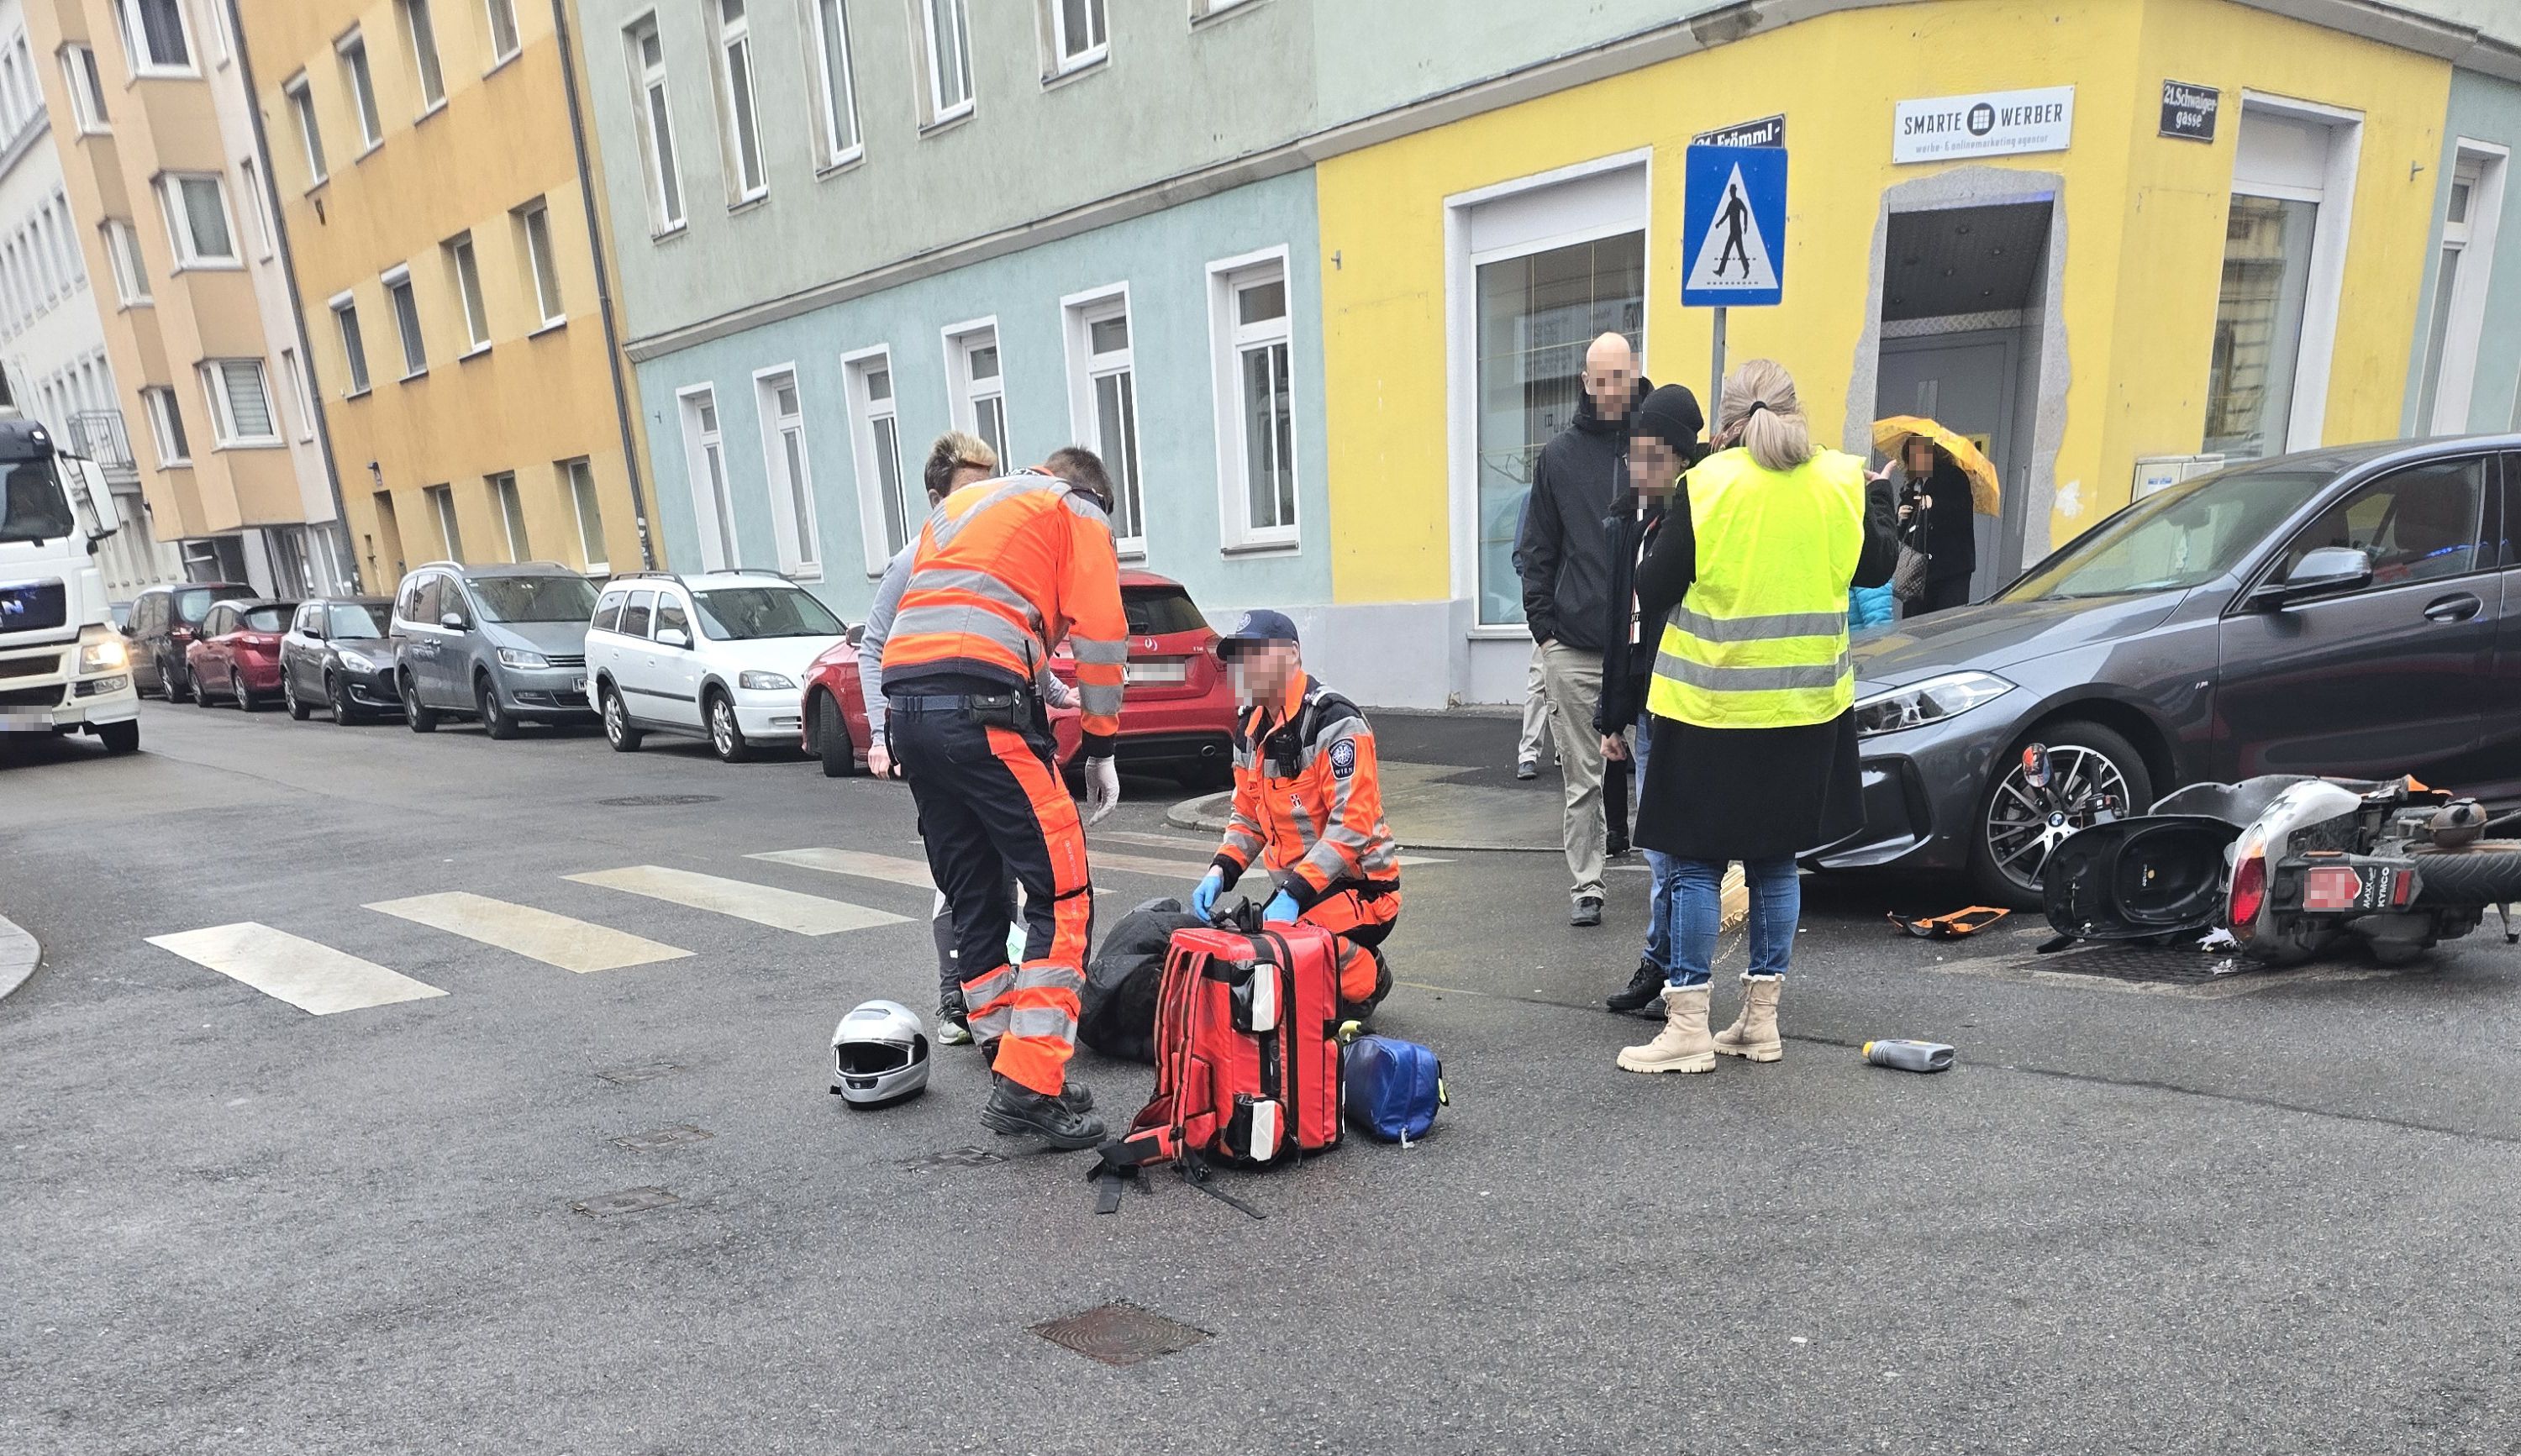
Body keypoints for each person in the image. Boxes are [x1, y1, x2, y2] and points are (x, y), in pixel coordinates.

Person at [1618, 360, 1897, 1075]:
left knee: (1697, 866)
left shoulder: (1705, 486)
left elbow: (1654, 584)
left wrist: (1656, 525)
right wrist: (1885, 503)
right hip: (1806, 711)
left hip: (1711, 710)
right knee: (1776, 862)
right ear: (1796, 412)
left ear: (1729, 420)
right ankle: (1760, 1024)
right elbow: (1875, 569)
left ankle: (1687, 1026)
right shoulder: (1839, 479)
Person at [881, 445, 1128, 1148]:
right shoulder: (1072, 507)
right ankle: (1030, 1083)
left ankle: (1010, 1065)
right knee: (1065, 890)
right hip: (982, 711)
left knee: (976, 895)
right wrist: (1102, 746)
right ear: (1092, 493)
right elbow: (1104, 632)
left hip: (911, 714)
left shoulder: (962, 507)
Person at [859, 432, 1078, 1048]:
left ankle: (995, 1023)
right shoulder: (918, 555)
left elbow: (1017, 637)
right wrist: (880, 734)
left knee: (993, 877)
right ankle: (962, 1000)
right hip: (955, 725)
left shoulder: (991, 544)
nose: (985, 498)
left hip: (974, 721)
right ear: (936, 498)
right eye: (969, 489)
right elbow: (875, 644)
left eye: (990, 483)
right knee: (971, 881)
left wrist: (1059, 696)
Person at [1190, 611, 1400, 1022]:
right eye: (1239, 658)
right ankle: (1324, 958)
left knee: (1283, 950)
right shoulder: (1249, 729)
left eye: (1256, 655)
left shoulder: (1334, 722)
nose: (1244, 668)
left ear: (1292, 655)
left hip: (1363, 889)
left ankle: (1368, 975)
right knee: (1253, 950)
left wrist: (1292, 896)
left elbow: (1352, 824)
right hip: (1301, 891)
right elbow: (1247, 818)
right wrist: (1220, 871)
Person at [1514, 331, 1647, 928]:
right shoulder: (1560, 457)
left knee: (1660, 759)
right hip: (1574, 644)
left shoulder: (1656, 445)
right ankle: (1587, 884)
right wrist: (1545, 631)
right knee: (1582, 775)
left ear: (1635, 373)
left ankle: (1669, 874)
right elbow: (1538, 549)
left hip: (1647, 642)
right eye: (1600, 379)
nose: (1610, 389)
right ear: (1586, 383)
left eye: (1620, 376)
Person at [1594, 384, 1702, 1014]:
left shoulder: (1693, 518)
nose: (1643, 469)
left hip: (1684, 699)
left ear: (1685, 460)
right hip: (1644, 699)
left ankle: (1667, 969)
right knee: (1658, 848)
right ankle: (1660, 965)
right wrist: (1613, 714)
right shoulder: (1626, 521)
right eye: (1637, 454)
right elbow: (1619, 623)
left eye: (1657, 457)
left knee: (1672, 851)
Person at [1897, 435, 1976, 617]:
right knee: (1913, 625)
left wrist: (1935, 504)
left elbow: (1962, 514)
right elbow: (1905, 530)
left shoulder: (1953, 476)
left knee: (1943, 624)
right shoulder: (1912, 485)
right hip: (1918, 568)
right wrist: (1901, 517)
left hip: (1950, 569)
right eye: (1910, 457)